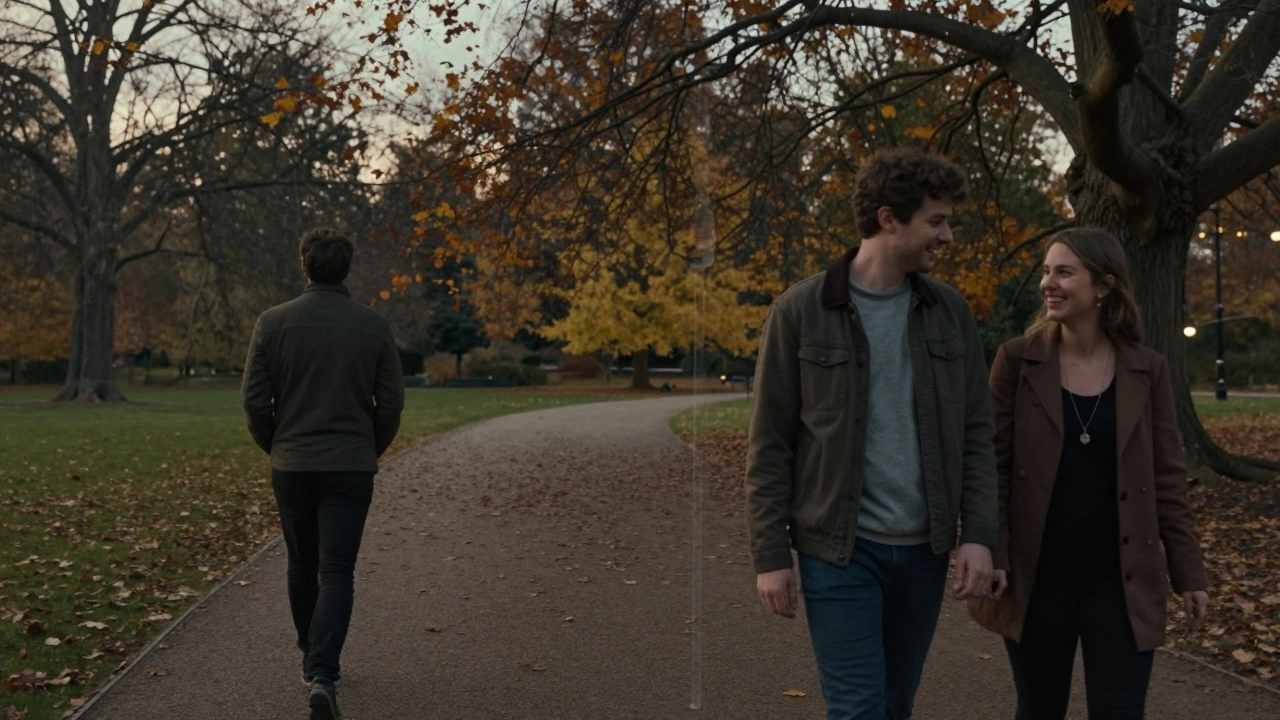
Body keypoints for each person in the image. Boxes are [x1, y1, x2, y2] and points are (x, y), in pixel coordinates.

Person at [745, 147, 1000, 720]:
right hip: (839, 550)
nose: (947, 235)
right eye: (936, 221)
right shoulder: (801, 310)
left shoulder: (949, 312)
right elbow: (770, 444)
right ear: (889, 219)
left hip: (925, 550)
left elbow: (976, 434)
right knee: (858, 708)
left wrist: (980, 534)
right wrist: (770, 555)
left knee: (893, 703)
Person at [968, 228, 1209, 719]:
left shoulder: (1147, 369)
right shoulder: (1016, 362)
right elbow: (992, 466)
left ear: (1104, 286)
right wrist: (991, 548)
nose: (1047, 283)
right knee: (1039, 709)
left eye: (1063, 272)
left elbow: (1167, 476)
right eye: (1045, 271)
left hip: (1120, 582)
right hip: (1038, 580)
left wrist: (1188, 572)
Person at [242, 227, 404, 720]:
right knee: (336, 569)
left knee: (300, 563)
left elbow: (254, 403)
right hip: (350, 464)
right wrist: (366, 447)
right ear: (346, 268)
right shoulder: (372, 326)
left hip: (293, 464)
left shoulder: (273, 323)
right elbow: (391, 404)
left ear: (304, 265)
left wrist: (279, 446)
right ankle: (323, 672)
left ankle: (309, 657)